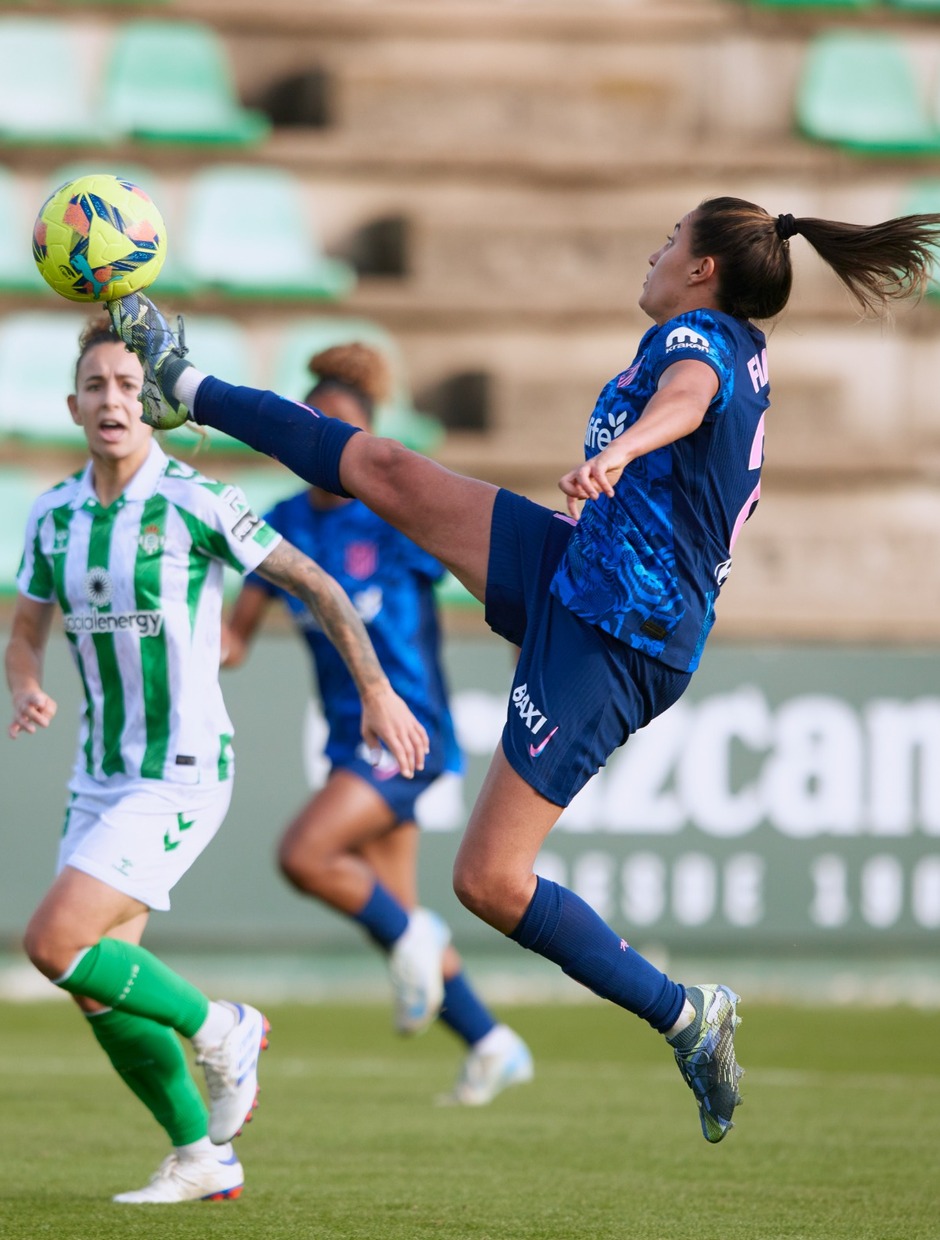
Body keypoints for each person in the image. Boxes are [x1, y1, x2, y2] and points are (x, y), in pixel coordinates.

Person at [107, 197, 940, 1143]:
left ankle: (685, 1013)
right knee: (385, 468)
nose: (657, 249)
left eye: (672, 240)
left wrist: (623, 450)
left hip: (618, 635)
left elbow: (687, 398)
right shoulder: (728, 339)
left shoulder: (703, 339)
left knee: (489, 882)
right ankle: (186, 384)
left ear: (704, 269)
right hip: (584, 570)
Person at [4, 322, 428, 1203]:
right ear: (73, 404)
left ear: (151, 403)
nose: (114, 400)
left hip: (182, 769)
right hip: (100, 774)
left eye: (130, 384)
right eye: (97, 386)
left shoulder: (196, 500)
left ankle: (225, 1025)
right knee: (99, 991)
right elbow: (27, 622)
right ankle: (202, 1155)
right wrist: (26, 682)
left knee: (53, 941)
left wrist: (380, 694)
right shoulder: (51, 515)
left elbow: (317, 583)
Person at [222, 342, 533, 1106]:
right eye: (315, 424)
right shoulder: (283, 523)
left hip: (408, 733)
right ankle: (492, 1043)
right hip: (346, 741)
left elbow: (477, 563)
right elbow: (234, 638)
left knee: (305, 855)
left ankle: (422, 951)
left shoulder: (394, 519)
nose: (326, 443)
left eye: (342, 429)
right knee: (397, 917)